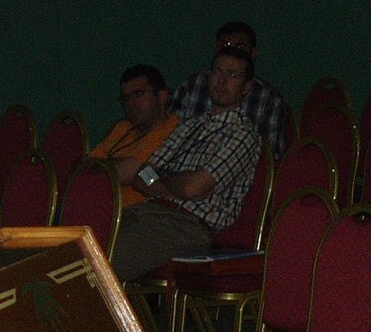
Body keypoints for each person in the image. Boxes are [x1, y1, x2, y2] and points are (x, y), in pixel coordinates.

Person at [109, 45, 262, 281]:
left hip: (186, 226)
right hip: (146, 211)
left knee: (100, 264)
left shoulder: (243, 135)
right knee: (75, 249)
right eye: (218, 72)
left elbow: (191, 187)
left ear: (246, 87)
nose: (222, 81)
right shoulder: (189, 126)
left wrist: (161, 177)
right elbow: (142, 177)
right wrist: (172, 183)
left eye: (232, 75)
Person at [170, 21, 290, 158]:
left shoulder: (269, 99)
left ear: (253, 53)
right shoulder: (192, 85)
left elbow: (270, 157)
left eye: (240, 46)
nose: (232, 50)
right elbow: (169, 137)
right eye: (225, 45)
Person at [90, 64, 181, 204]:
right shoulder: (122, 128)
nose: (131, 103)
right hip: (96, 202)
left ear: (162, 96)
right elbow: (85, 168)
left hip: (139, 211)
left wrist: (104, 167)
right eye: (126, 98)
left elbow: (135, 172)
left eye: (139, 94)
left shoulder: (178, 131)